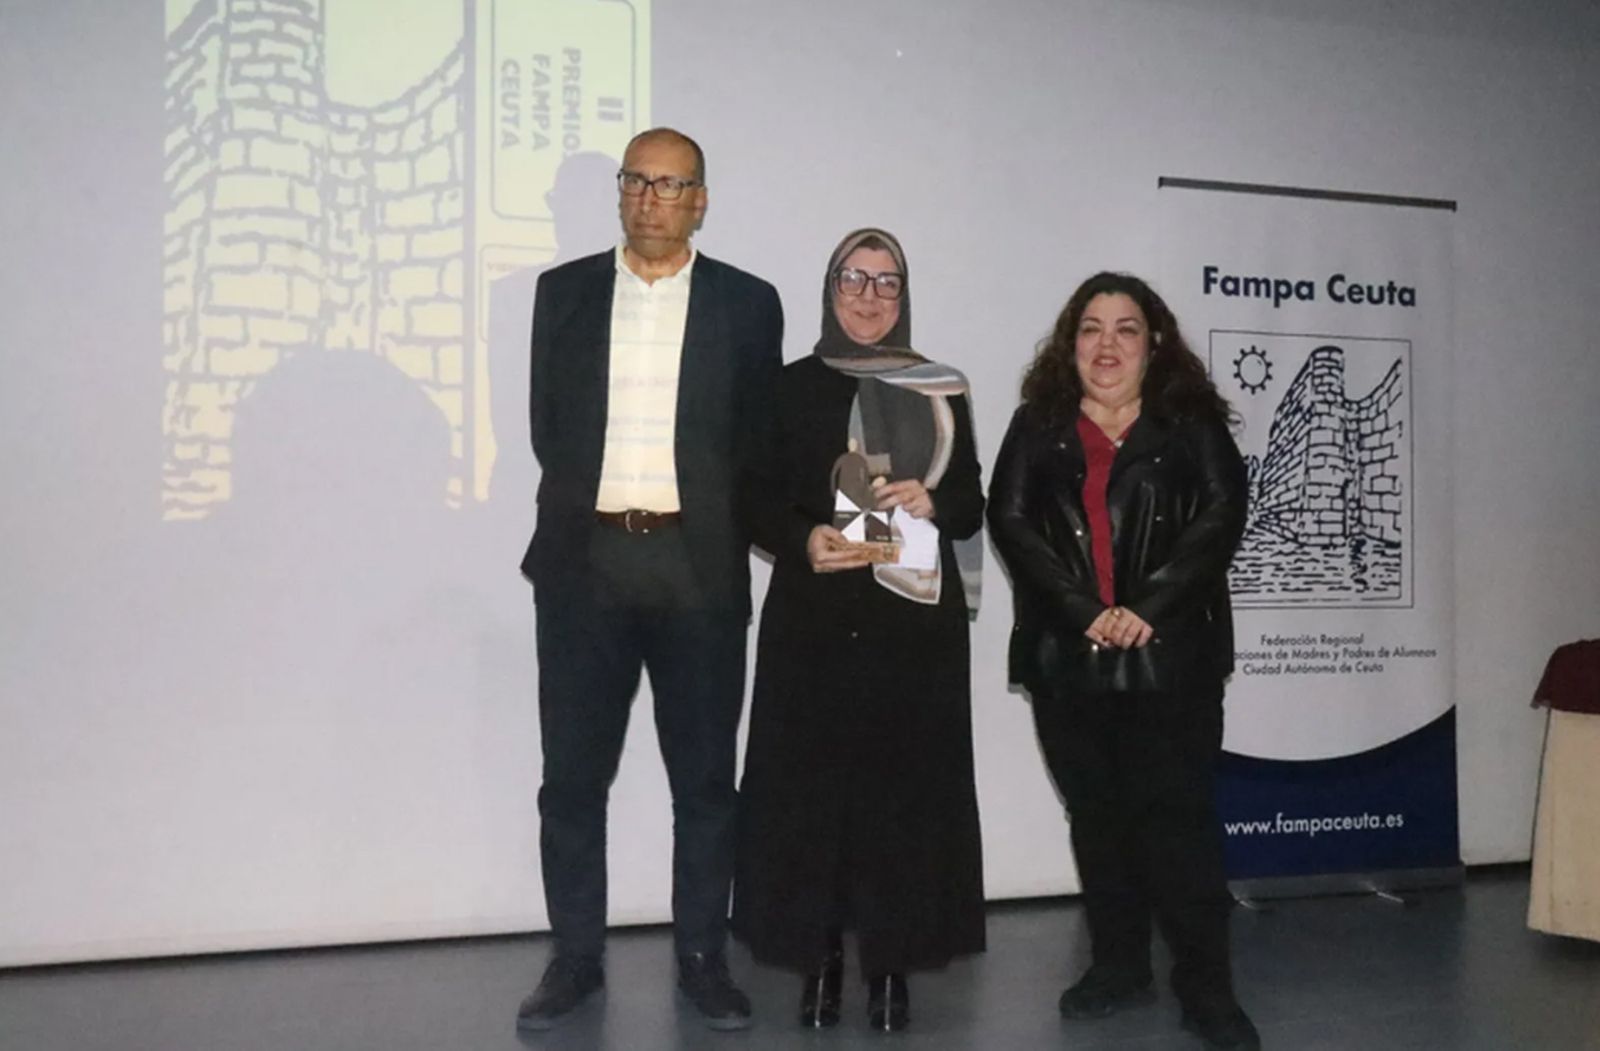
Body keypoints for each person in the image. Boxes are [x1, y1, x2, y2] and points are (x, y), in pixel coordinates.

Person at [514, 127, 783, 1032]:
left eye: (672, 185)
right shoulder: (564, 293)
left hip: (697, 566)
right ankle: (576, 958)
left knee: (705, 782)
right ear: (620, 192)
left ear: (700, 200)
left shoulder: (749, 304)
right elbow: (549, 429)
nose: (652, 198)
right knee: (572, 779)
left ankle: (703, 957)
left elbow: (751, 442)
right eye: (638, 180)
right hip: (585, 563)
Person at [986, 272, 1261, 1050]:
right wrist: (1085, 613)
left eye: (1126, 329)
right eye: (1091, 329)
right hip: (1066, 659)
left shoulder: (1191, 423)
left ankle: (1207, 989)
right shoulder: (1036, 424)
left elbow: (1221, 516)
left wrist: (1147, 610)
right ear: (1069, 344)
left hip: (1171, 660)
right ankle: (1118, 966)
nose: (1107, 345)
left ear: (1155, 342)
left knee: (1177, 827)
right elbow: (1007, 519)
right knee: (1099, 822)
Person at [732, 228, 986, 1033]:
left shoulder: (942, 387)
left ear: (904, 294)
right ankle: (821, 963)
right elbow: (755, 495)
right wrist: (802, 537)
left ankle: (889, 967)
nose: (870, 296)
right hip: (816, 614)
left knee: (903, 801)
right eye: (855, 278)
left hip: (912, 627)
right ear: (830, 286)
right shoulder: (787, 387)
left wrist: (935, 503)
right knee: (813, 799)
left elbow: (974, 502)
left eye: (887, 282)